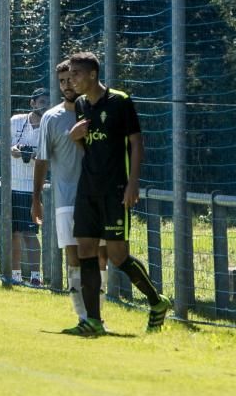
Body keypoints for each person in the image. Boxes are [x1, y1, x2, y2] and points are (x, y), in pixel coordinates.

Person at [63, 51, 170, 336]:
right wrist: (76, 138)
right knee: (85, 251)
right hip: (88, 189)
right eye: (70, 74)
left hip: (115, 189)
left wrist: (133, 183)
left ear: (92, 75)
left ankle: (157, 302)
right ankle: (93, 321)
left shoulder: (120, 101)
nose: (71, 79)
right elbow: (89, 147)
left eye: (75, 74)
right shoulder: (82, 104)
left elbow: (136, 142)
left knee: (117, 255)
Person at [32, 61, 108, 325]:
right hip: (66, 198)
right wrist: (36, 198)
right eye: (62, 81)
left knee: (100, 255)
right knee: (73, 256)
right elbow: (41, 160)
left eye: (70, 79)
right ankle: (82, 316)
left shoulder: (98, 110)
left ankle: (98, 314)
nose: (67, 86)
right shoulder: (51, 118)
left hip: (97, 196)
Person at [4, 87, 46, 285]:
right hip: (12, 185)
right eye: (41, 101)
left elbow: (51, 156)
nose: (44, 105)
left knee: (31, 233)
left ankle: (36, 278)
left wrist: (36, 156)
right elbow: (1, 143)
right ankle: (15, 275)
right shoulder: (16, 121)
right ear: (32, 103)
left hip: (33, 188)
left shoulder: (50, 125)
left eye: (48, 101)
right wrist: (13, 149)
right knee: (14, 232)